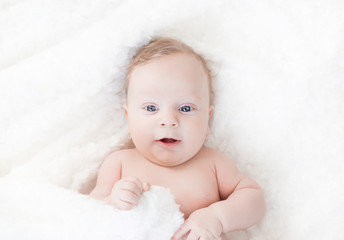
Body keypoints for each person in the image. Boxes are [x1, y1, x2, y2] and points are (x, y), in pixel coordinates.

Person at [90, 37, 265, 240]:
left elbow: (254, 199)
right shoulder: (119, 163)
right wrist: (113, 201)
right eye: (151, 108)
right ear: (129, 118)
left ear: (207, 119)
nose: (169, 120)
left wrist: (217, 216)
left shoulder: (213, 164)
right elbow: (91, 210)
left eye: (185, 108)